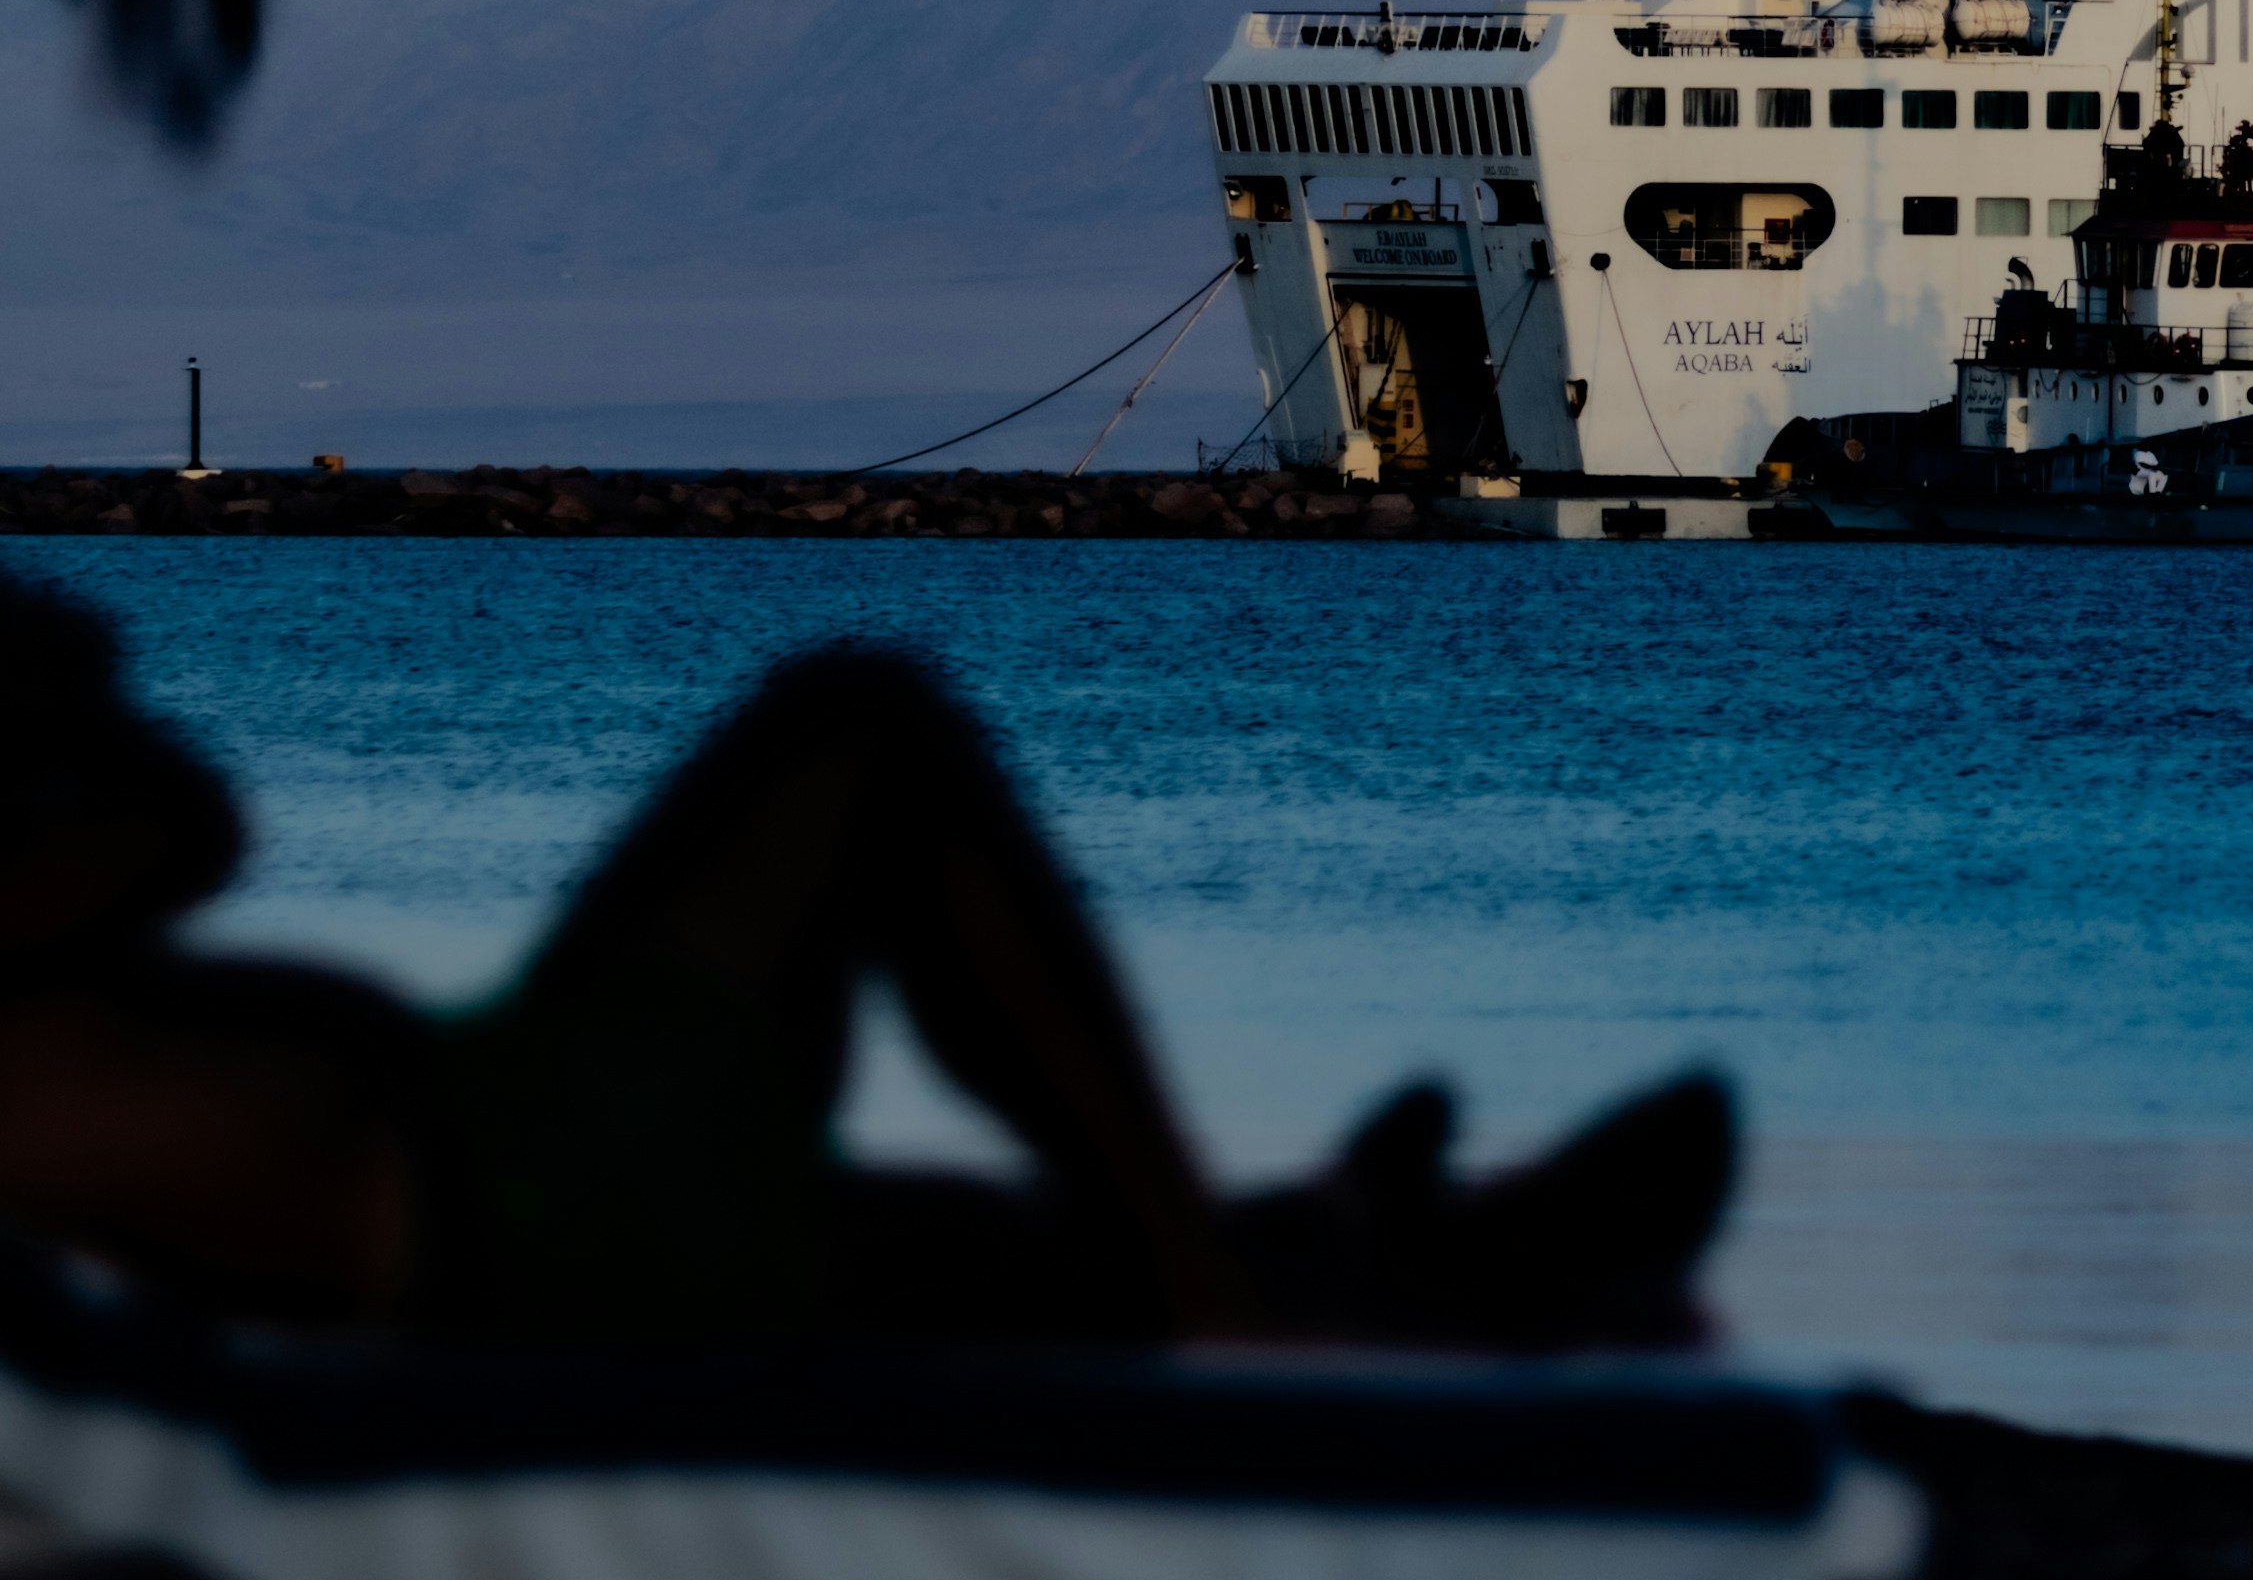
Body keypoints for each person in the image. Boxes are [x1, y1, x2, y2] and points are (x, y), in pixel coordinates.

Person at [0, 575, 1725, 1348]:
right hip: (510, 1206)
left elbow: (175, 834)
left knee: (945, 1232)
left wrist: (49, 690)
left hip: (515, 1137)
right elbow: (183, 830)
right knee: (860, 736)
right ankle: (1269, 1284)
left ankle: (1353, 1248)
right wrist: (48, 686)